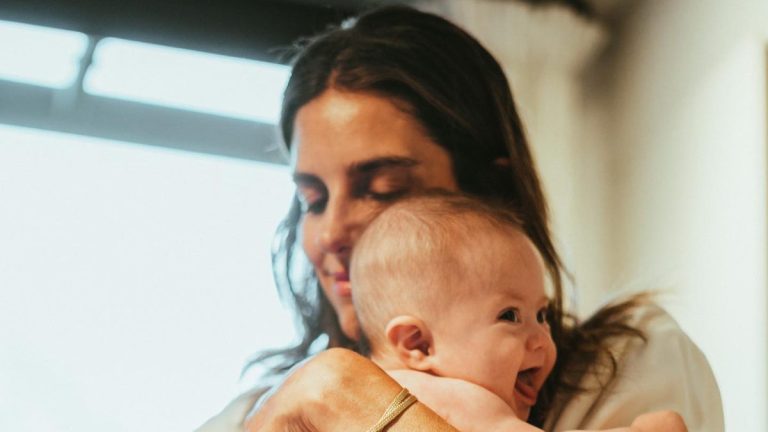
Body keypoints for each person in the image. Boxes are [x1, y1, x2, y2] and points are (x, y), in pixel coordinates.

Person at [196, 5, 723, 432]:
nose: (331, 232)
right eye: (313, 200)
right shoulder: (254, 413)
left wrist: (356, 397)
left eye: (383, 191)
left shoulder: (625, 365)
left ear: (488, 192)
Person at [348, 192, 686, 432]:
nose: (541, 339)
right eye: (510, 316)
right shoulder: (447, 399)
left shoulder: (353, 393)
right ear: (418, 344)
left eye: (541, 315)